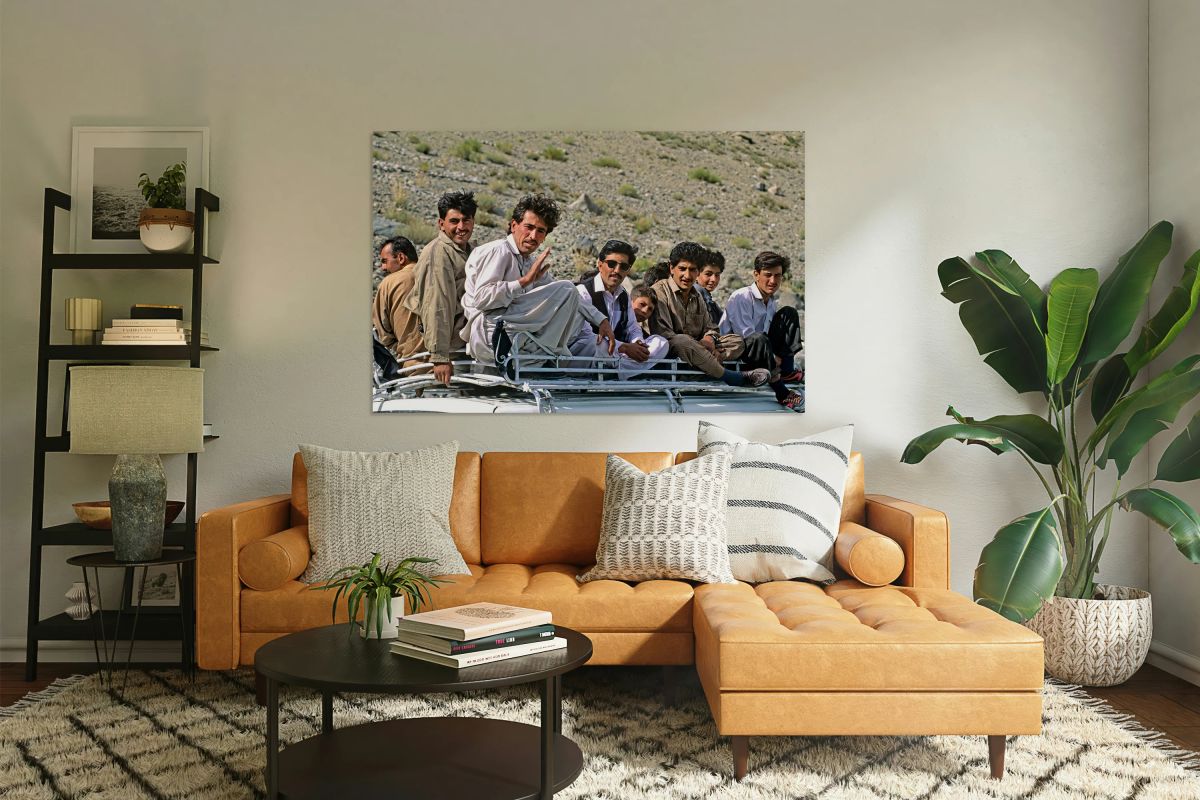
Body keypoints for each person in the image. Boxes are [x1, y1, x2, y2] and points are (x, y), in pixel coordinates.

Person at [461, 194, 615, 378]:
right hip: (489, 328)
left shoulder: (528, 261)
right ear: (513, 226)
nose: (533, 236)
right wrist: (523, 282)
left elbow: (568, 296)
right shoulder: (499, 251)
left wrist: (601, 320)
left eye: (540, 231)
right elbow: (481, 299)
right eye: (529, 227)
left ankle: (537, 359)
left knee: (572, 309)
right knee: (566, 289)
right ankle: (538, 358)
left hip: (510, 325)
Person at [649, 242, 769, 387]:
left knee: (736, 341)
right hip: (675, 349)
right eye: (682, 269)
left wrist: (709, 339)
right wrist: (700, 346)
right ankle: (734, 377)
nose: (687, 275)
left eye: (693, 270)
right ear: (671, 268)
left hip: (700, 349)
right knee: (681, 340)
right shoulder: (659, 291)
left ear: (698, 271)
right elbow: (665, 334)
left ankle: (706, 366)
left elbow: (711, 328)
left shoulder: (697, 295)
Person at [568, 239, 669, 379]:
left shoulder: (623, 295)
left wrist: (637, 343)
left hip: (614, 352)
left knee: (661, 343)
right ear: (600, 264)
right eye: (612, 264)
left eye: (623, 267)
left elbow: (632, 327)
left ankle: (615, 371)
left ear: (628, 270)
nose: (617, 270)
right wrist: (625, 348)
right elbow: (585, 335)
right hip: (585, 351)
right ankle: (624, 370)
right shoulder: (583, 291)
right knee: (597, 343)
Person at [404, 191, 476, 385]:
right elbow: (437, 306)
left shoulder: (466, 251)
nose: (461, 227)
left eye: (466, 220)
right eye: (454, 221)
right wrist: (440, 357)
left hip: (464, 347)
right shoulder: (439, 253)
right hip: (451, 352)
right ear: (441, 223)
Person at [720, 250, 804, 410]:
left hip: (761, 351)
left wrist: (778, 356)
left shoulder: (771, 301)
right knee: (758, 337)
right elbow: (746, 337)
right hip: (737, 353)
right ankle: (781, 391)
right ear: (756, 275)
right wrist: (773, 357)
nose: (773, 280)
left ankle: (787, 370)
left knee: (789, 313)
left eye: (778, 275)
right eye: (768, 275)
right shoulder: (741, 297)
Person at [371, 236, 425, 366]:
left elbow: (382, 333)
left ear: (401, 258)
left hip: (414, 365)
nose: (383, 267)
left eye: (385, 261)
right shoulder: (437, 274)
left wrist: (403, 346)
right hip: (453, 363)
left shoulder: (389, 283)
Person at [696, 248, 725, 326]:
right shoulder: (697, 294)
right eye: (708, 274)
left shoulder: (709, 299)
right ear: (696, 274)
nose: (713, 279)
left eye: (717, 275)